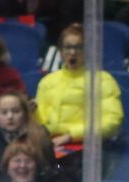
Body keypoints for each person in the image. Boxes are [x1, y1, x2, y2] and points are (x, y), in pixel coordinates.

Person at [34, 22, 124, 151]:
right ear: (60, 51)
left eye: (79, 47)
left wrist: (71, 136)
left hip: (86, 148)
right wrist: (31, 113)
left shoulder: (102, 80)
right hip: (50, 145)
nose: (72, 52)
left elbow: (113, 122)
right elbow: (40, 121)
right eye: (68, 47)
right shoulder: (47, 81)